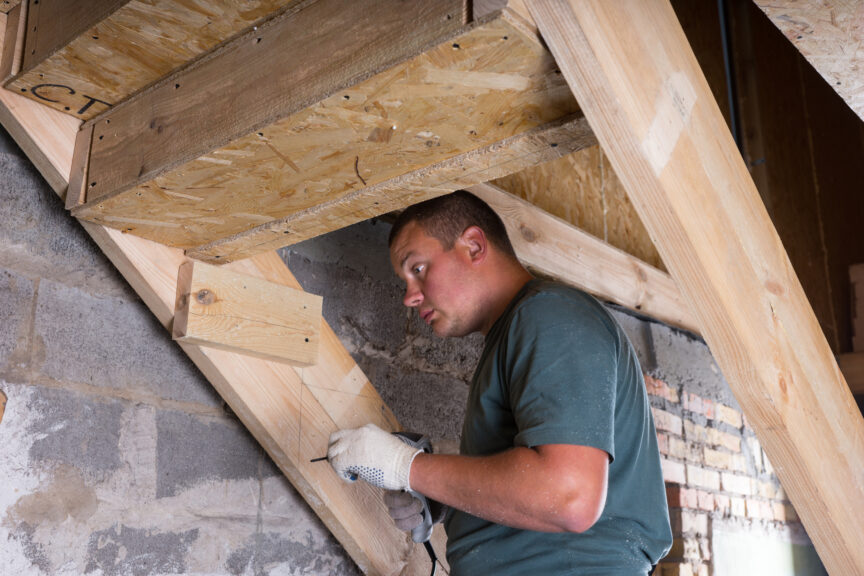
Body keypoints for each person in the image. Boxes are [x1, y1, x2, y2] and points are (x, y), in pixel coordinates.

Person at [326, 190, 672, 575]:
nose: (409, 296)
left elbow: (568, 496)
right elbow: (536, 484)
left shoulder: (551, 315)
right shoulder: (519, 331)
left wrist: (406, 466)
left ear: (473, 246)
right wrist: (447, 497)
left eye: (418, 268)